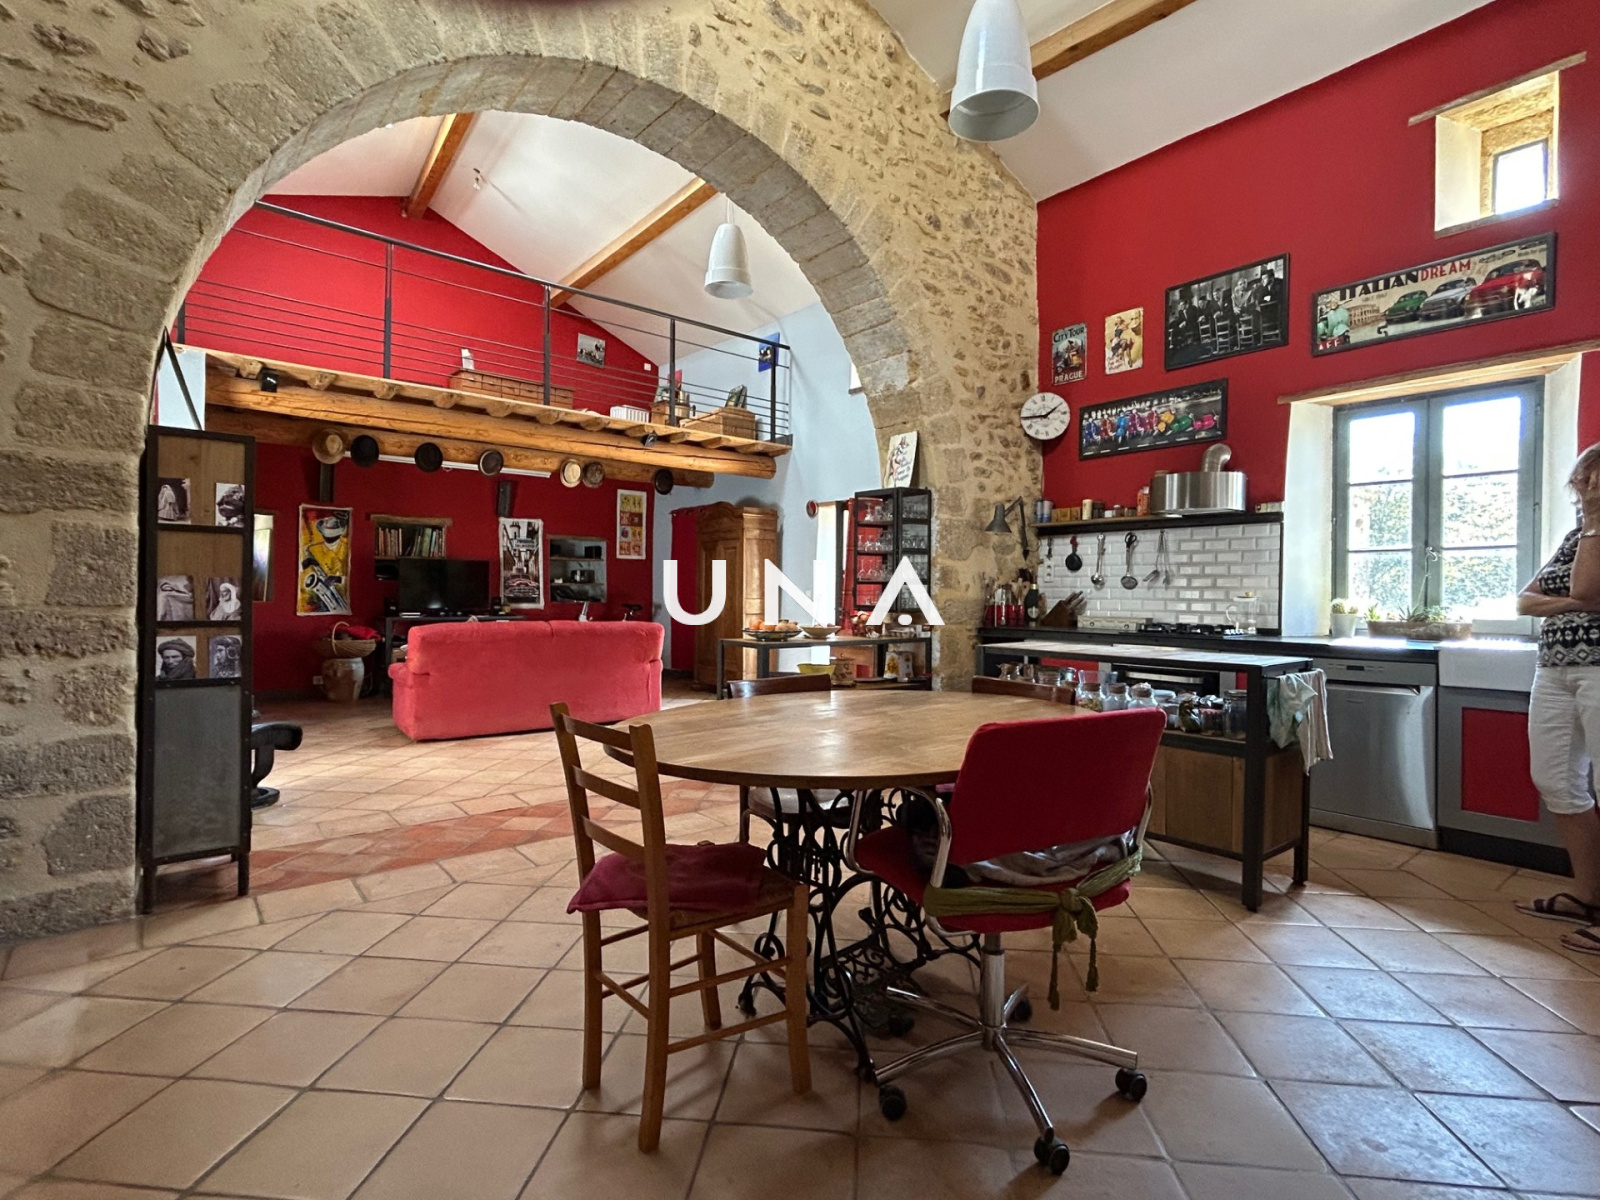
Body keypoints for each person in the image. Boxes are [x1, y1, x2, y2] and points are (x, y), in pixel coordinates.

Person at [1516, 442, 1600, 956]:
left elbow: (1588, 591)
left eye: (1596, 478)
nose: (1587, 486)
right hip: (1554, 669)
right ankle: (1589, 897)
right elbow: (1524, 600)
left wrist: (1594, 524)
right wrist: (1573, 601)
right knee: (1555, 780)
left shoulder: (1589, 533)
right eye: (1583, 478)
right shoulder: (1575, 536)